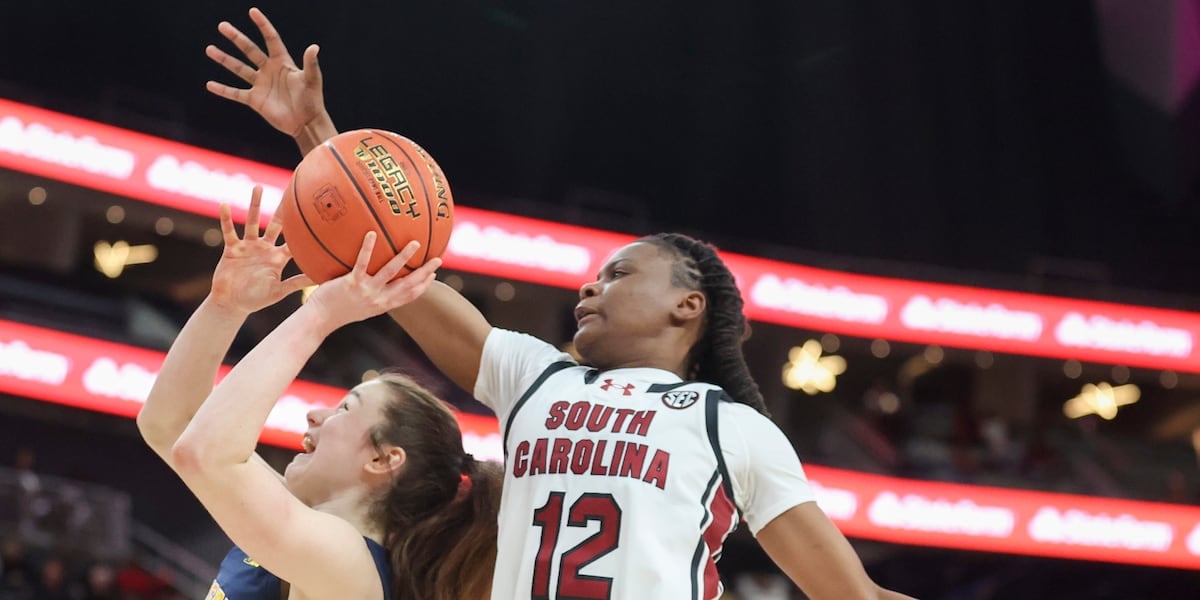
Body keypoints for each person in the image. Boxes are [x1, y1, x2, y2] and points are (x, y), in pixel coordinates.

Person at [207, 9, 914, 598]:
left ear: (688, 306)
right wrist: (313, 133)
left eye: (618, 275)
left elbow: (852, 595)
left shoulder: (735, 431)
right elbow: (402, 263)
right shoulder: (536, 378)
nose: (589, 288)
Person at [136, 189, 501, 600]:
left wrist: (321, 314)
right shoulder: (300, 526)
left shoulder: (349, 564)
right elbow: (169, 426)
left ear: (383, 459)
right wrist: (226, 307)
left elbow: (203, 453)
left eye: (346, 408)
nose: (315, 415)